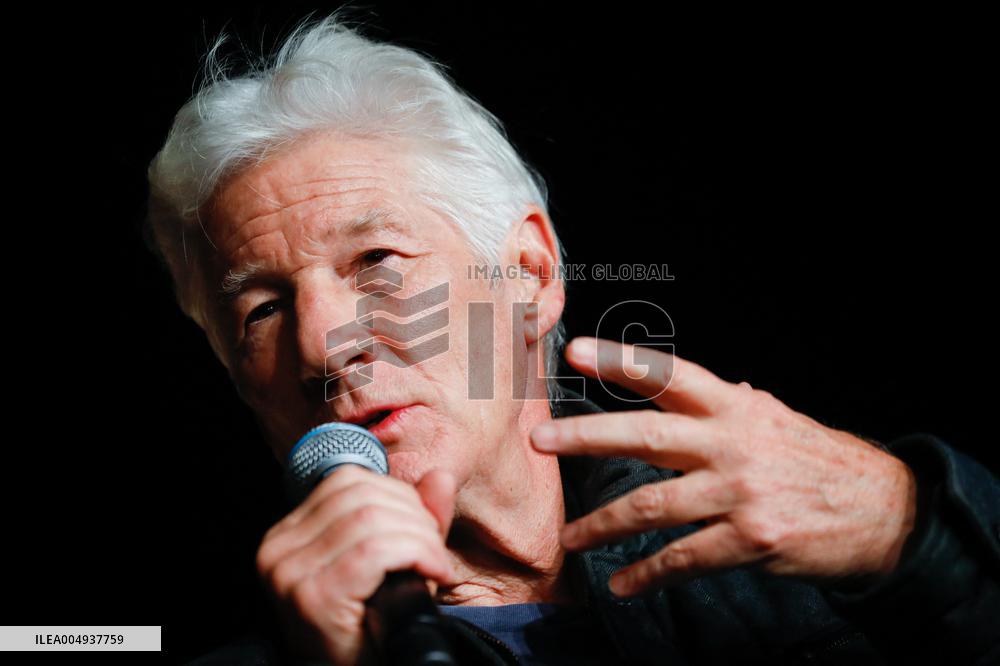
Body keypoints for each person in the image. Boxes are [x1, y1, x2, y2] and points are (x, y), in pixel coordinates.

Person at [144, 11, 1000, 665]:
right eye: (260, 311)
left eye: (377, 260)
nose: (323, 346)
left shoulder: (792, 571)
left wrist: (908, 528)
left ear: (530, 273)